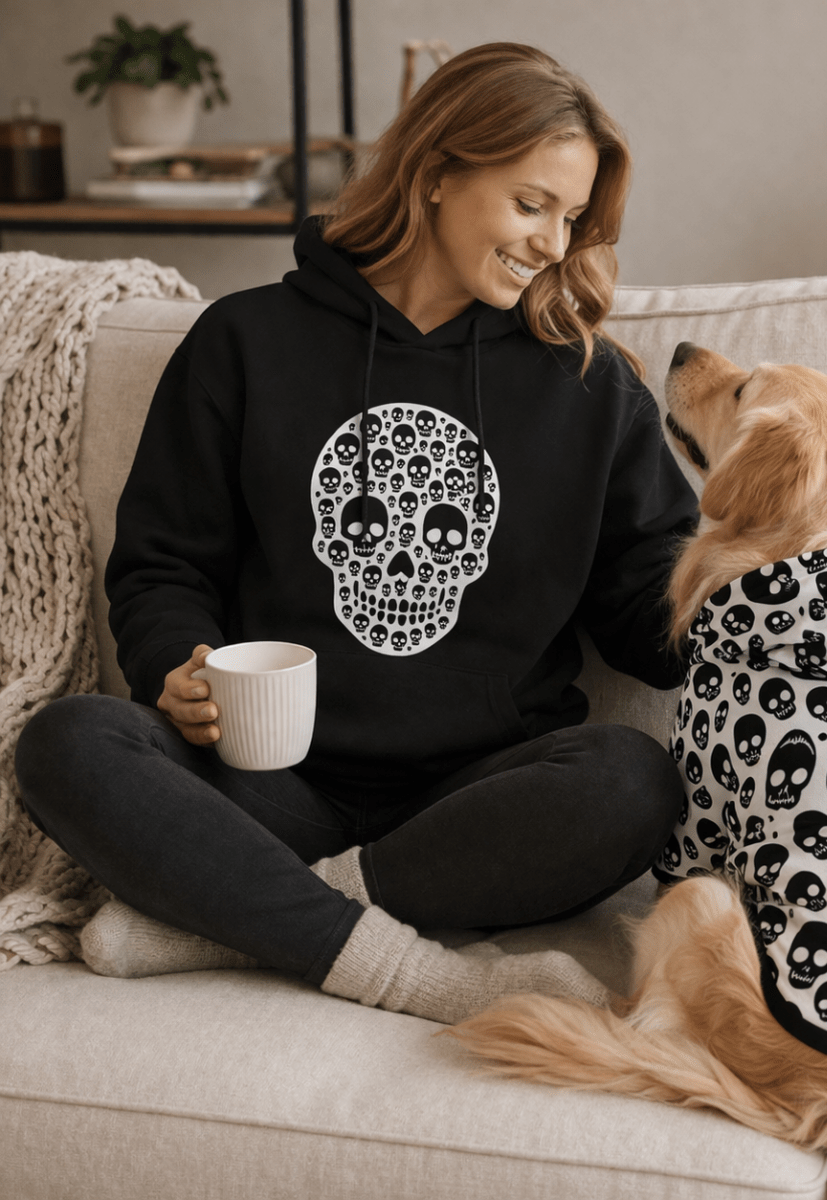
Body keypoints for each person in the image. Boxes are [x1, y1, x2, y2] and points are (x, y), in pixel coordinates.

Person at [14, 43, 697, 1023]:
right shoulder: (243, 343)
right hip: (270, 785)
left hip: (482, 804)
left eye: (573, 219)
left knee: (632, 780)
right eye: (531, 204)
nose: (555, 243)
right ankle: (419, 975)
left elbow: (649, 612)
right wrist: (181, 664)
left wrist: (775, 598)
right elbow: (164, 566)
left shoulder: (589, 387)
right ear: (435, 175)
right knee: (67, 742)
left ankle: (228, 918)